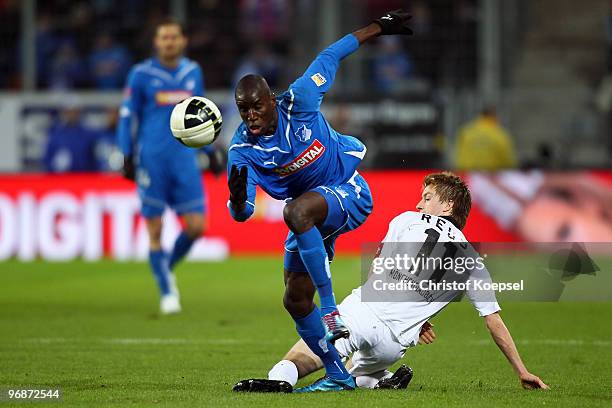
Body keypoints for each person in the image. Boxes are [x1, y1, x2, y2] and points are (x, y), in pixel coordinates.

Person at [226, 10, 414, 392]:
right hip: (310, 216)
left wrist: (378, 27)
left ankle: (331, 311)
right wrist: (234, 198)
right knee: (294, 300)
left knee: (293, 210)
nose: (251, 116)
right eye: (243, 109)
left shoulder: (301, 99)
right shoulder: (241, 150)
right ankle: (339, 375)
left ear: (272, 100)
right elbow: (243, 213)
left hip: (348, 191)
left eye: (257, 106)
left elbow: (330, 55)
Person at [233, 172, 549, 393]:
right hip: (395, 345)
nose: (419, 204)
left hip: (365, 313)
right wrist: (521, 371)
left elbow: (379, 270)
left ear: (448, 206)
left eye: (427, 198)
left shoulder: (406, 220)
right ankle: (377, 379)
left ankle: (280, 380)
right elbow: (493, 321)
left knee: (305, 355)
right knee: (363, 368)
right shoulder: (473, 260)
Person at [117, 19, 207, 315]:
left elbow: (201, 117)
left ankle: (165, 268)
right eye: (163, 37)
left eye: (173, 37)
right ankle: (167, 291)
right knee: (154, 229)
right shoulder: (141, 74)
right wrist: (126, 153)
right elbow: (127, 116)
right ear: (156, 42)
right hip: (152, 159)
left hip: (184, 159)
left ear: (183, 40)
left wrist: (212, 149)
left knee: (197, 226)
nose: (169, 42)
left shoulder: (192, 72)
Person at [455, 106, 518, 171]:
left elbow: (459, 154)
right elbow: (508, 159)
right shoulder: (499, 134)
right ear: (494, 116)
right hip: (491, 174)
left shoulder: (466, 131)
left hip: (467, 174)